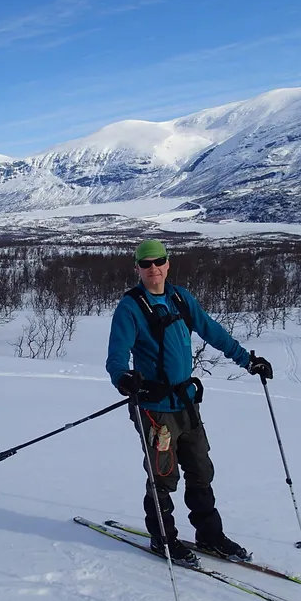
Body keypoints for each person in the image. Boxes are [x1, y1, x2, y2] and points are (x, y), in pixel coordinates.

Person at [106, 239, 273, 565]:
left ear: (168, 264)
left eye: (159, 262)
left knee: (201, 470)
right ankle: (163, 539)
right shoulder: (130, 307)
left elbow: (212, 331)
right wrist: (125, 379)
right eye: (146, 263)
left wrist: (247, 360)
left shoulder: (180, 298)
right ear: (137, 268)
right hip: (155, 410)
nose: (153, 268)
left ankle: (210, 535)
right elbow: (115, 358)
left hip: (186, 403)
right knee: (162, 477)